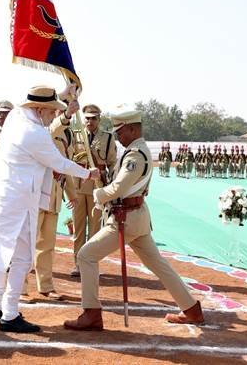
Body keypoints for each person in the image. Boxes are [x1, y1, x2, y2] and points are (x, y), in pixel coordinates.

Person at [63, 110, 203, 331]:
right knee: (158, 265)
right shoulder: (135, 151)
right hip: (135, 217)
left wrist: (100, 194)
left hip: (124, 219)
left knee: (86, 255)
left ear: (132, 129)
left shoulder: (135, 155)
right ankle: (191, 308)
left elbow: (120, 187)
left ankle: (91, 313)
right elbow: (120, 183)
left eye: (120, 131)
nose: (117, 136)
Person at [0, 85, 99, 333]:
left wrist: (65, 95)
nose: (55, 114)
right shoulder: (35, 133)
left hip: (1, 200)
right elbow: (59, 162)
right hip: (20, 203)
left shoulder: (15, 119)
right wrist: (88, 173)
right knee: (22, 258)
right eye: (53, 110)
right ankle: (10, 314)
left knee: (2, 254)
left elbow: (46, 118)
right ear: (41, 109)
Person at [27, 98, 80, 301]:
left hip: (54, 196)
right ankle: (20, 287)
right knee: (27, 243)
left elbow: (65, 166)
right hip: (37, 195)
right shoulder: (43, 130)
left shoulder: (67, 136)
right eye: (61, 108)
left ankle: (46, 285)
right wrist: (66, 116)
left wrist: (72, 195)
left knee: (47, 245)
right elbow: (54, 129)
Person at [68, 104, 117, 277]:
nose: (90, 121)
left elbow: (112, 164)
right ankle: (78, 265)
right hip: (79, 187)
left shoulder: (108, 138)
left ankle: (90, 263)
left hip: (98, 188)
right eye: (87, 118)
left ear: (99, 119)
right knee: (79, 228)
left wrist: (110, 187)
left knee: (95, 229)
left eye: (94, 118)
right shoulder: (75, 136)